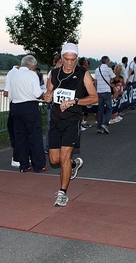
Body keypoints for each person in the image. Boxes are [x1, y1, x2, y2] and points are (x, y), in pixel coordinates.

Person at [44, 43, 98, 207]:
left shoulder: (84, 74)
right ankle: (73, 164)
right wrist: (46, 97)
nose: (69, 63)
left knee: (63, 158)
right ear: (61, 58)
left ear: (76, 58)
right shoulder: (54, 74)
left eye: (73, 60)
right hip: (55, 120)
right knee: (54, 160)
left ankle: (62, 193)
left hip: (72, 121)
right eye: (66, 59)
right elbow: (48, 93)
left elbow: (94, 98)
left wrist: (75, 101)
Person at [9, 55, 48, 173]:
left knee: (21, 137)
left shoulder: (13, 74)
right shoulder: (32, 75)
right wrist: (43, 96)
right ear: (33, 66)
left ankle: (24, 164)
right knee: (35, 136)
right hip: (29, 107)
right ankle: (39, 164)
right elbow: (37, 93)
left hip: (15, 107)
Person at [4, 65, 20, 167]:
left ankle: (21, 156)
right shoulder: (12, 73)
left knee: (20, 131)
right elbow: (6, 92)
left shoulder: (16, 73)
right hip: (15, 104)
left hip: (17, 104)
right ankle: (16, 157)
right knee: (17, 131)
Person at [94, 56, 115, 134]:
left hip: (99, 91)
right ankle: (105, 123)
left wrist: (96, 90)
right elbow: (113, 79)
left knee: (100, 110)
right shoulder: (108, 69)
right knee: (109, 108)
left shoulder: (97, 70)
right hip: (106, 90)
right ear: (107, 61)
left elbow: (95, 81)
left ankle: (99, 127)